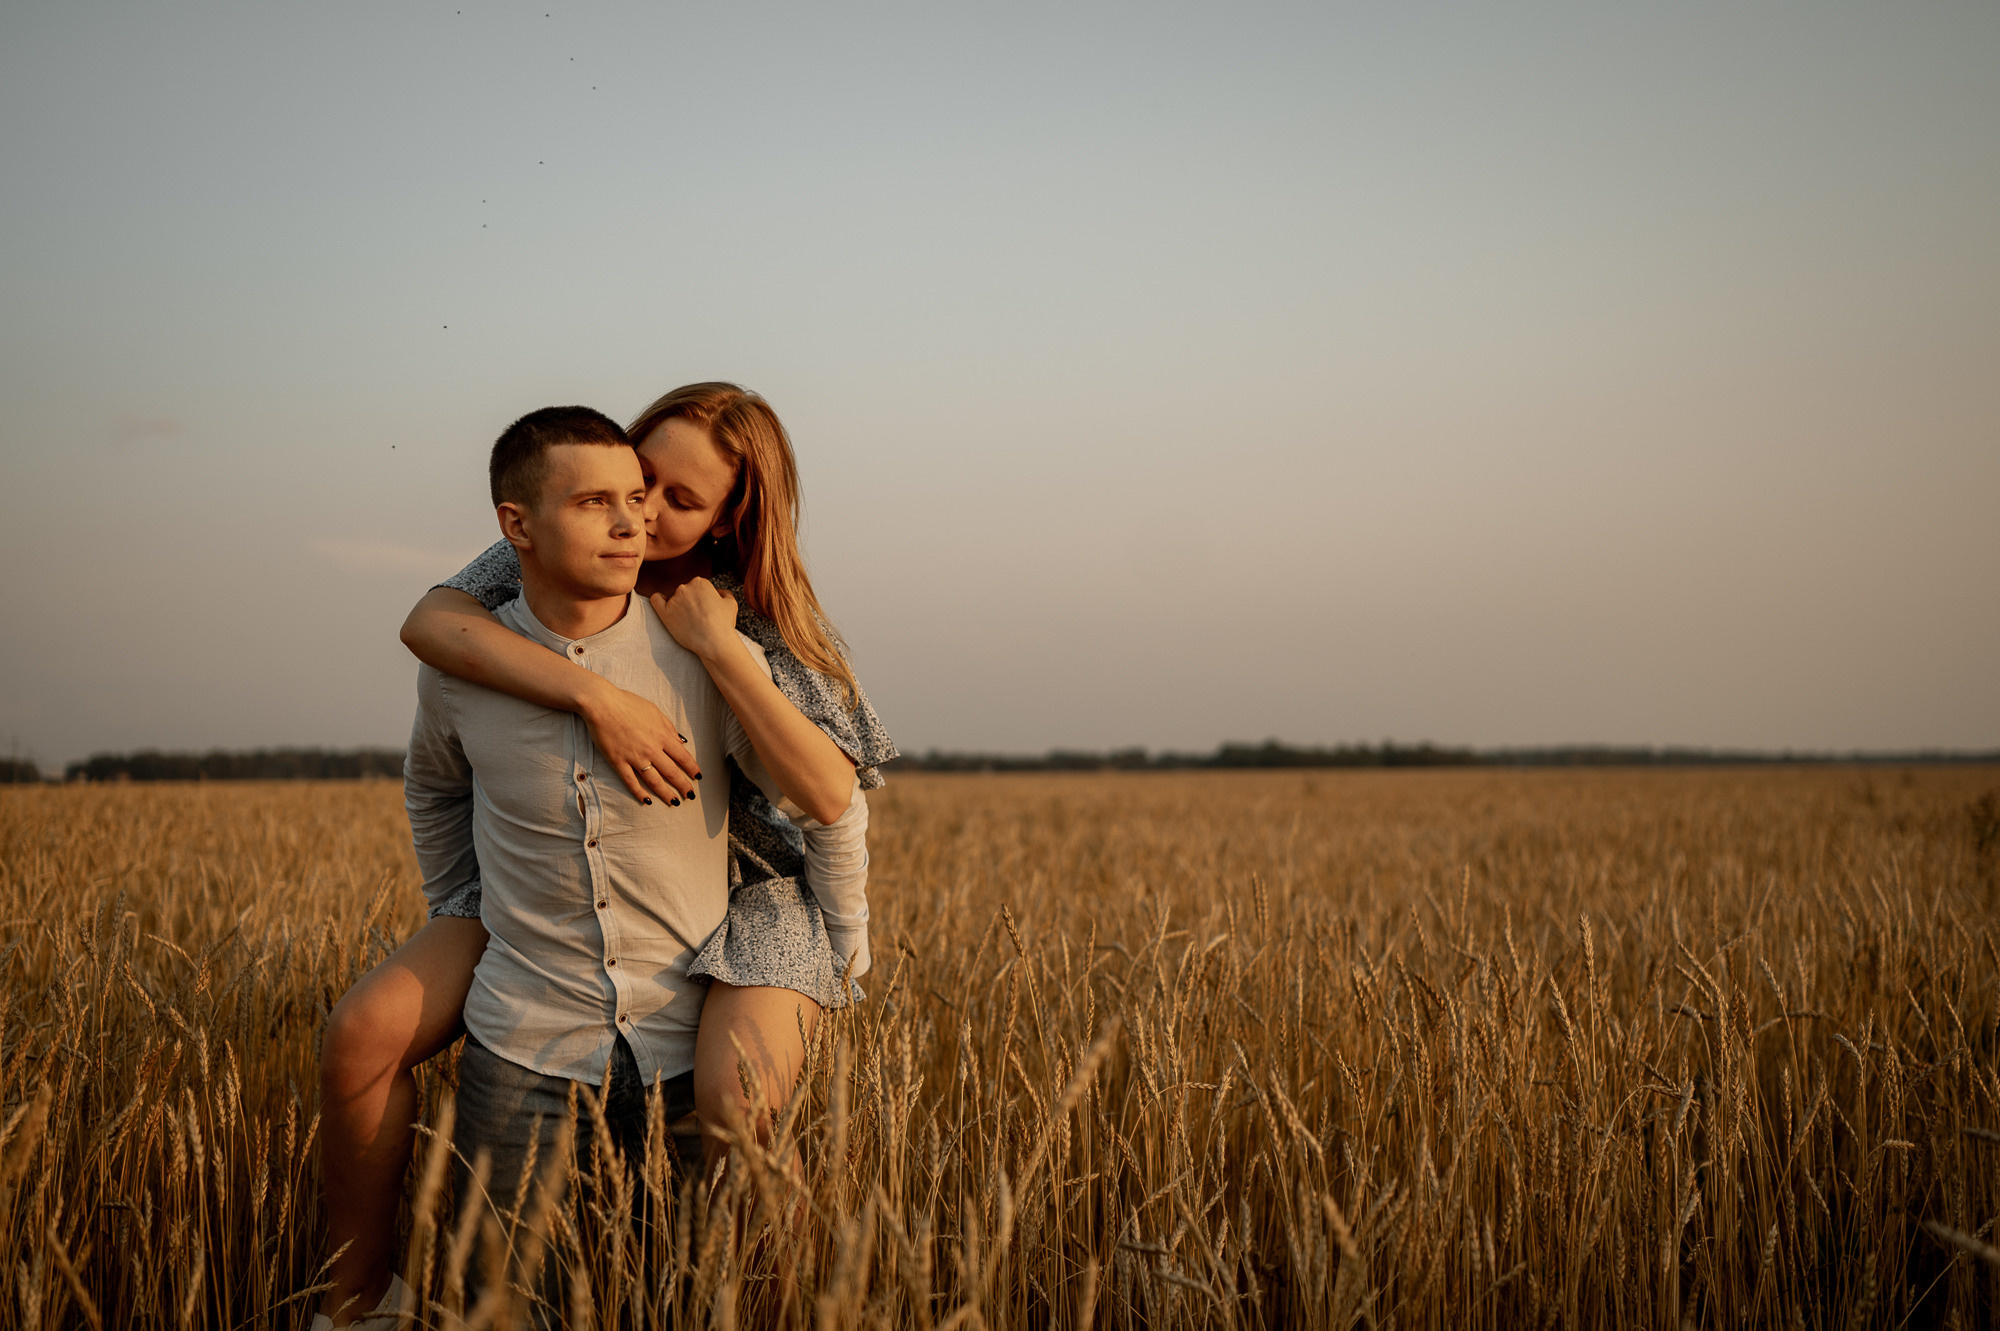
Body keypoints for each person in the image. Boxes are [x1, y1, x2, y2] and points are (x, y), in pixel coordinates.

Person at [313, 393, 894, 1327]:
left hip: (739, 903)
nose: (642, 515)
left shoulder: (728, 626)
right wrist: (593, 703)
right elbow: (429, 639)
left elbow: (834, 804)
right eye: (628, 485)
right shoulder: (520, 578)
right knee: (370, 1047)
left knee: (732, 1154)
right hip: (540, 969)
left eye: (673, 498)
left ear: (727, 521)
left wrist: (847, 945)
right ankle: (356, 1304)